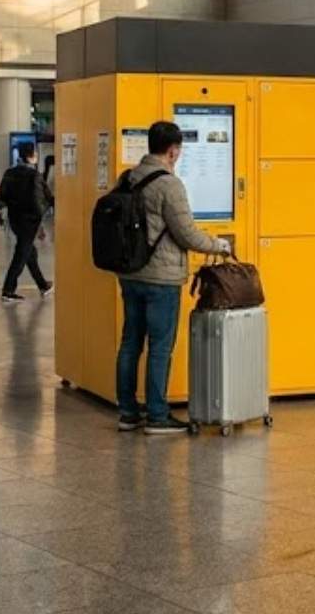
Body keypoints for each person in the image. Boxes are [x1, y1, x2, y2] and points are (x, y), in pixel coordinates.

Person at [118, 121, 231, 434]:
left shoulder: (128, 177)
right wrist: (218, 246)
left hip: (130, 273)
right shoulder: (169, 184)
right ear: (173, 150)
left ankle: (127, 412)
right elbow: (186, 233)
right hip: (161, 278)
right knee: (160, 346)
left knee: (130, 343)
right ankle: (157, 414)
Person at [0, 142, 54, 301]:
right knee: (22, 253)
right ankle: (8, 290)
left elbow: (2, 195)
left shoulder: (9, 172)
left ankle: (43, 285)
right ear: (31, 156)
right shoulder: (34, 175)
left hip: (15, 218)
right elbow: (40, 199)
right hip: (30, 220)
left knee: (30, 252)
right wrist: (41, 219)